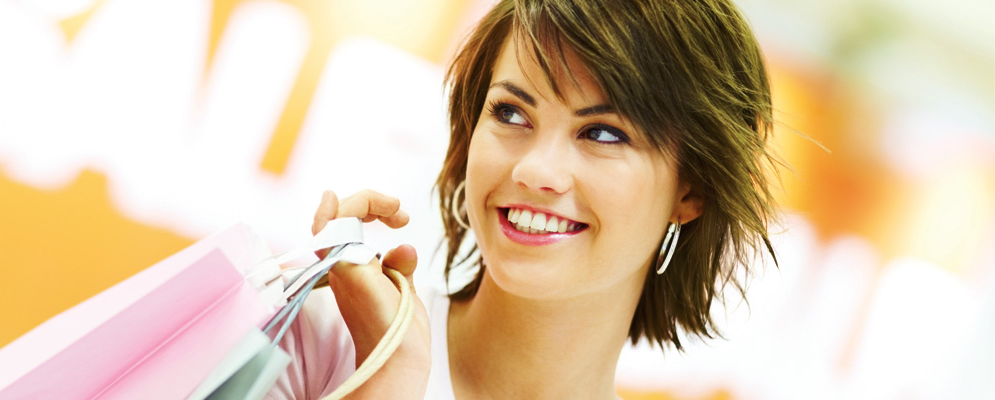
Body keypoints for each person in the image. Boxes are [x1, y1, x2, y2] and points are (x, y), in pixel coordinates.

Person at [268, 0, 779, 398]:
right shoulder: (317, 339)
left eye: (602, 133)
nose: (535, 170)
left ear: (690, 191)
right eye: (511, 113)